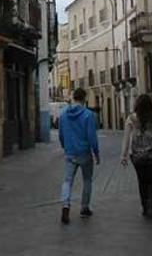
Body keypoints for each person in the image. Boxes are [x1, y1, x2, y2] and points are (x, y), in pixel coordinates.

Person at [58, 88, 100, 225]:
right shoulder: (88, 115)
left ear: (73, 98)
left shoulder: (63, 114)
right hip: (84, 154)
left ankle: (65, 204)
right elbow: (92, 137)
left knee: (67, 180)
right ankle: (84, 207)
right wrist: (96, 153)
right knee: (87, 180)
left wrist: (65, 146)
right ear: (84, 99)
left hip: (70, 153)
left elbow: (61, 134)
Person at [121, 94, 152, 219]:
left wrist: (123, 155)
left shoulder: (131, 119)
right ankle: (151, 202)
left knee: (142, 181)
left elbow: (126, 138)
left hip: (136, 156)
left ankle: (145, 206)